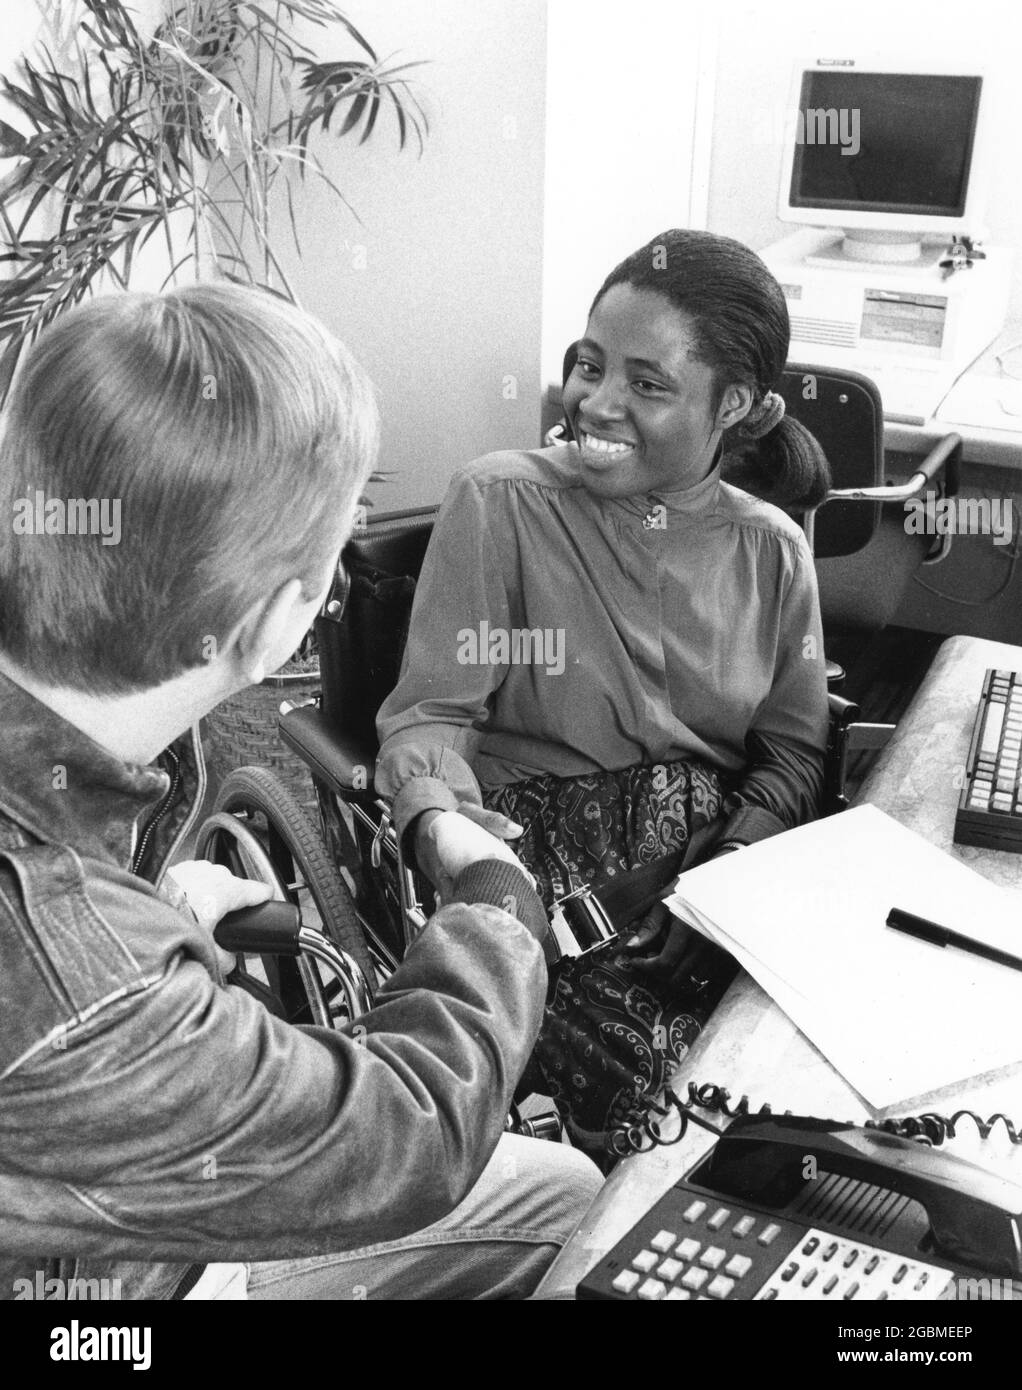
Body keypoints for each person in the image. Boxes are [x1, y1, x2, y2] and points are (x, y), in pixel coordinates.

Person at [0, 283, 601, 1303]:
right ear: (280, 619)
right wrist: (496, 901)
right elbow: (414, 1132)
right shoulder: (91, 996)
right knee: (571, 1203)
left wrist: (158, 914)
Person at [376, 229, 832, 1159]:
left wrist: (729, 874)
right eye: (590, 365)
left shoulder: (772, 550)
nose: (597, 402)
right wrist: (437, 828)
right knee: (676, 1126)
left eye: (648, 382)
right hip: (550, 872)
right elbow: (433, 714)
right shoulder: (502, 504)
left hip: (710, 872)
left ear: (735, 403)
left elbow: (791, 750)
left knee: (805, 1071)